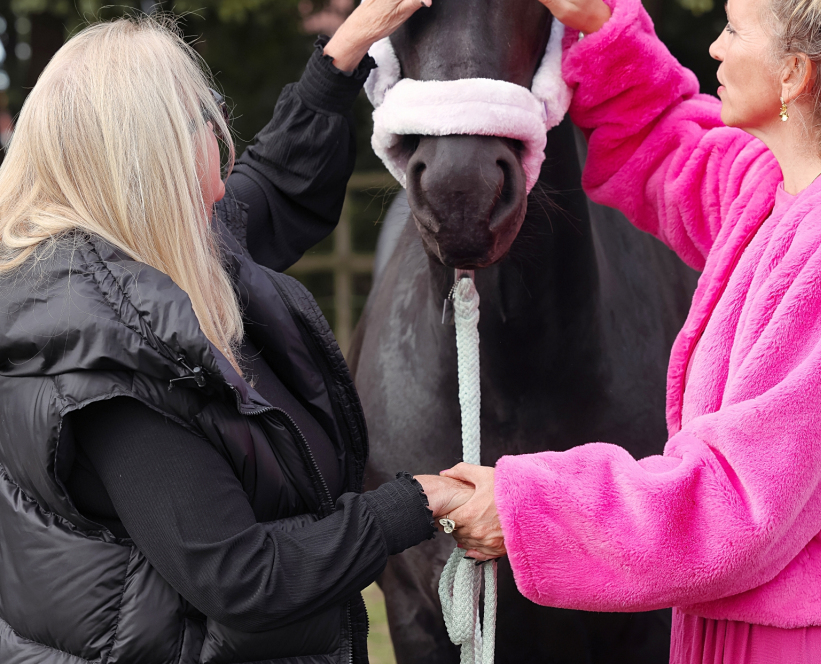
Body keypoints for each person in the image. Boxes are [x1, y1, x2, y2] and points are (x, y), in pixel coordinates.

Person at [0, 4, 471, 663]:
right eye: (202, 122)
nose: (220, 179)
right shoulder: (100, 364)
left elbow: (272, 186)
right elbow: (245, 578)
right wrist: (420, 503)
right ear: (152, 159)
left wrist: (346, 52)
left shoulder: (138, 267)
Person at [442, 0, 821, 661]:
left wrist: (525, 509)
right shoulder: (781, 192)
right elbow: (668, 144)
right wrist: (600, 25)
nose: (715, 48)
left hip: (816, 644)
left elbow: (738, 501)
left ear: (794, 73)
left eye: (735, 30)